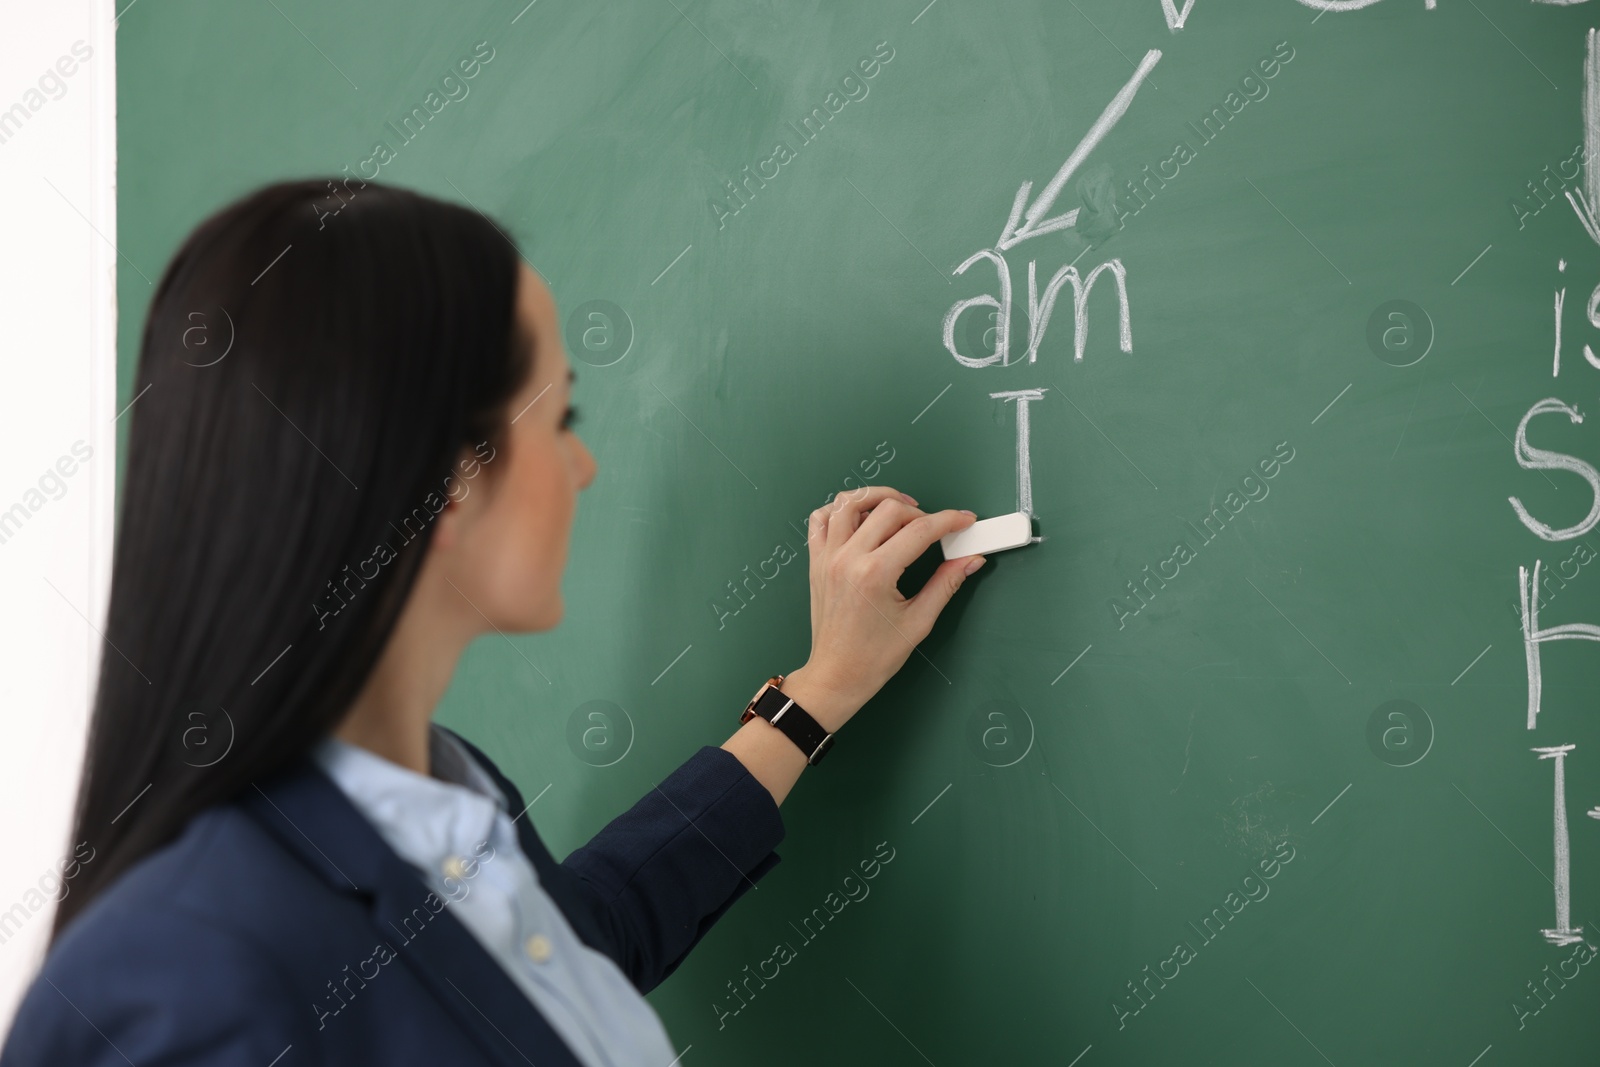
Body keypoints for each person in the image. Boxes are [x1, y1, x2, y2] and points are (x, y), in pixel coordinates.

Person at [0, 179, 985, 1066]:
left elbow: (571, 947)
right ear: (448, 478)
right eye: (563, 419)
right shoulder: (181, 983)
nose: (583, 466)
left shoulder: (441, 794)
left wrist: (820, 689)